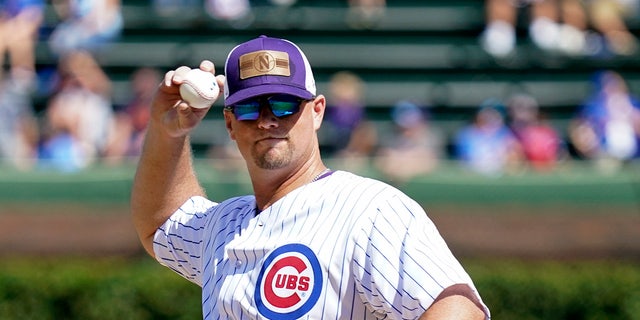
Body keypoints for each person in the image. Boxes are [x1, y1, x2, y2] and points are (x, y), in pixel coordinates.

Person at [131, 35, 490, 319]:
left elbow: (459, 309)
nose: (268, 120)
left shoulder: (371, 210)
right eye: (250, 107)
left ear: (316, 112)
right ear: (229, 123)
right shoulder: (223, 225)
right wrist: (169, 132)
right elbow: (160, 222)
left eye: (285, 105)